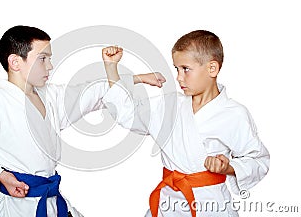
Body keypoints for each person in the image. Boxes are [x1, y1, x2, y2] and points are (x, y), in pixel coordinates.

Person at [0, 25, 160, 217]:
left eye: (49, 58)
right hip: (17, 206)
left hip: (51, 199)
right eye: (42, 59)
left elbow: (93, 92)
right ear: (15, 62)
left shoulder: (49, 96)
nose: (50, 66)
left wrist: (137, 78)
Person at [101, 30, 270, 217]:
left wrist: (228, 168)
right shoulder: (169, 105)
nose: (179, 77)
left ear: (212, 68)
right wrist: (111, 67)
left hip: (209, 206)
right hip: (167, 204)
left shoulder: (234, 114)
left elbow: (258, 160)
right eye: (177, 69)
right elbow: (126, 112)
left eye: (185, 69)